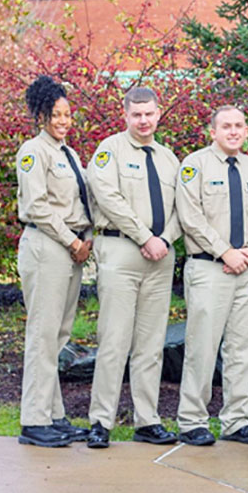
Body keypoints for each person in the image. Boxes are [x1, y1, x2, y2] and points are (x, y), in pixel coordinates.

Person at [85, 87, 181, 448]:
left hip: (160, 257)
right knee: (113, 339)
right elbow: (108, 197)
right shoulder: (110, 150)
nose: (143, 121)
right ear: (125, 115)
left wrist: (165, 240)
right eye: (136, 114)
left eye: (149, 114)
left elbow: (181, 209)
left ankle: (147, 420)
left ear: (159, 114)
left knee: (151, 343)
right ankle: (100, 421)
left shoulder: (169, 158)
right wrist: (144, 236)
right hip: (122, 252)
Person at [175, 106, 248, 446]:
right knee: (203, 346)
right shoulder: (194, 165)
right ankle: (192, 420)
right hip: (209, 267)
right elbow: (190, 217)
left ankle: (236, 420)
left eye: (239, 126)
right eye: (226, 126)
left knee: (244, 348)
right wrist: (225, 251)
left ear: (246, 131)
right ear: (211, 131)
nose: (233, 131)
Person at [16, 75, 93, 447]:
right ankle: (33, 421)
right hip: (47, 246)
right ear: (41, 116)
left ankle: (54, 416)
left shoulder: (69, 153)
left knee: (58, 336)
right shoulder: (34, 151)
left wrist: (86, 239)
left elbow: (79, 202)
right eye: (55, 114)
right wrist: (73, 240)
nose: (63, 121)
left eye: (67, 115)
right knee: (43, 336)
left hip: (70, 250)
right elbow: (36, 206)